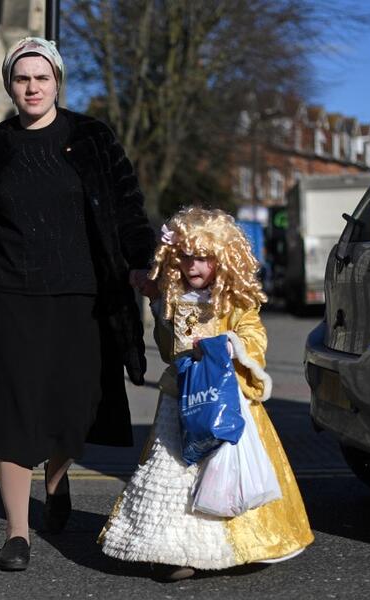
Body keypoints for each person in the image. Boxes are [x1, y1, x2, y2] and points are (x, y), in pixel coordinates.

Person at [0, 37, 156, 570]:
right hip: (7, 296)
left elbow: (126, 209)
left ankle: (56, 479)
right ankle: (17, 532)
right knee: (14, 412)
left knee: (72, 406)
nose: (32, 87)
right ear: (10, 85)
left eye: (42, 78)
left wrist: (142, 263)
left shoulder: (91, 137)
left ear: (57, 82)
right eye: (22, 78)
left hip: (82, 297)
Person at [99, 207, 313, 579]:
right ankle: (174, 551)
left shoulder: (235, 300)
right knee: (174, 474)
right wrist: (161, 310)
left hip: (226, 398)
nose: (192, 266)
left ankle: (241, 544)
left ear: (223, 258)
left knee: (227, 472)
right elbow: (169, 351)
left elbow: (253, 335)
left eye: (203, 258)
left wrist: (232, 346)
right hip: (180, 397)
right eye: (185, 257)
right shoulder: (174, 297)